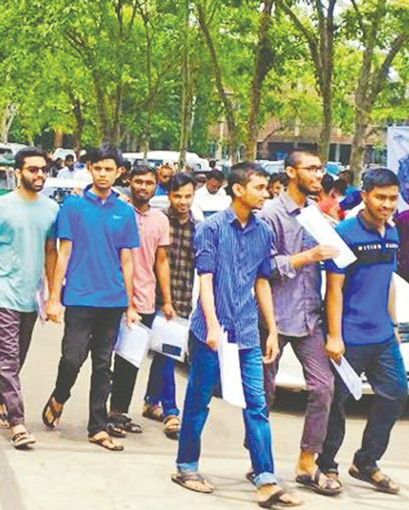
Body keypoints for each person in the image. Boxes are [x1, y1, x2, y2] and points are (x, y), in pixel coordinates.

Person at [172, 162, 301, 508]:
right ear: (238, 190)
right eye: (260, 187)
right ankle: (186, 466)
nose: (267, 193)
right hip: (210, 331)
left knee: (257, 405)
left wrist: (271, 330)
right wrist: (213, 325)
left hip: (246, 331)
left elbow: (262, 281)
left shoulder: (263, 232)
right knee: (199, 401)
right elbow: (206, 280)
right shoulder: (211, 228)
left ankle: (265, 477)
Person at [42, 145, 139, 452]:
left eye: (109, 169)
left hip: (112, 299)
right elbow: (64, 251)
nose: (103, 174)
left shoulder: (124, 211)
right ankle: (60, 395)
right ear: (90, 169)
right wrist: (54, 298)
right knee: (72, 357)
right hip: (79, 296)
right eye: (98, 168)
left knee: (103, 365)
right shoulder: (72, 205)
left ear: (118, 172)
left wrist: (131, 304)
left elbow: (127, 259)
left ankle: (97, 426)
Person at [318, 168, 406, 495]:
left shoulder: (392, 232)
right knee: (336, 403)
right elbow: (335, 289)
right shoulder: (344, 233)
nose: (386, 204)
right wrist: (335, 335)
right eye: (380, 197)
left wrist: (393, 324)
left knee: (395, 393)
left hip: (383, 337)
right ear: (365, 195)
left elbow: (389, 282)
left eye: (392, 198)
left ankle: (366, 462)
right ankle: (326, 465)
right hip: (350, 337)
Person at [258, 150, 340, 496]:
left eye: (320, 168)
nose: (318, 174)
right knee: (264, 393)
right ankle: (259, 463)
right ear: (291, 172)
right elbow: (262, 267)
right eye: (311, 169)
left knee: (324, 388)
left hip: (309, 318)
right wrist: (307, 256)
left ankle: (308, 462)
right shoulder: (270, 215)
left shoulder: (315, 214)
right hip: (274, 318)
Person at [0, 147, 58, 449]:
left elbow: (51, 252)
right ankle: (17, 421)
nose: (39, 175)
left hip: (30, 295)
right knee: (7, 358)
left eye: (43, 169)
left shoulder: (51, 209)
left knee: (17, 357)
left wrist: (52, 296)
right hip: (2, 291)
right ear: (18, 172)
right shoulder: (0, 207)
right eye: (33, 169)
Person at [108, 166, 177, 439]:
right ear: (129, 182)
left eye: (149, 182)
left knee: (130, 359)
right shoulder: (116, 212)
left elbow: (161, 261)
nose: (143, 187)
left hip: (145, 300)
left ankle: (119, 413)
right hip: (112, 297)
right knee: (105, 359)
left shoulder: (160, 220)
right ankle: (100, 413)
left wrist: (167, 300)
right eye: (138, 181)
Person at [151, 173, 199, 438]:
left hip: (182, 299)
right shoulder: (160, 222)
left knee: (165, 354)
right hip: (154, 299)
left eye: (188, 196)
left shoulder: (198, 227)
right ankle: (171, 411)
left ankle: (151, 400)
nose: (183, 201)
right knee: (164, 354)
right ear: (169, 195)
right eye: (177, 196)